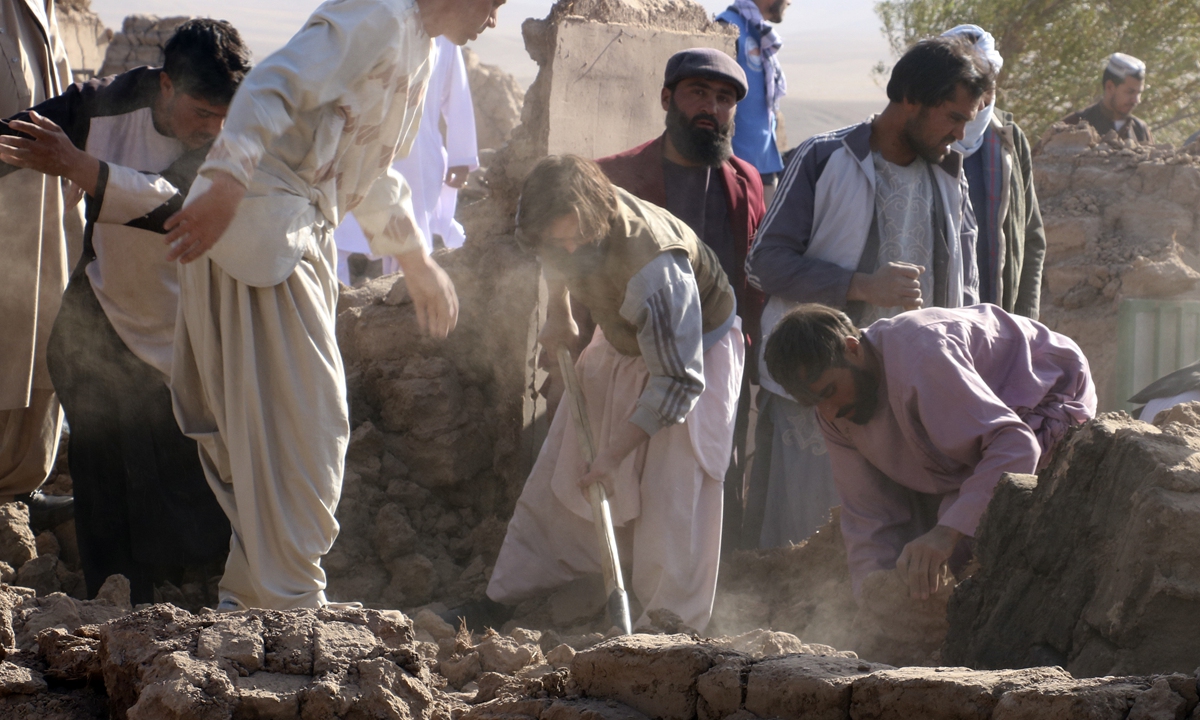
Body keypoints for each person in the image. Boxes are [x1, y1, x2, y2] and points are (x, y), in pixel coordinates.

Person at [161, 0, 505, 611]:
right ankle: (289, 601)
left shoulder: (420, 48)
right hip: (261, 226)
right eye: (497, 3)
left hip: (298, 234)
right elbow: (273, 83)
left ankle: (253, 600)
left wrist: (417, 261)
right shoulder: (376, 15)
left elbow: (367, 168)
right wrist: (228, 180)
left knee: (280, 432)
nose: (495, 20)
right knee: (304, 430)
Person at [0, 19, 249, 603]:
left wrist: (81, 169)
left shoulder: (232, 136)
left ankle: (192, 596)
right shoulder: (102, 106)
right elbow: (16, 140)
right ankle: (110, 599)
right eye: (201, 112)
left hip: (185, 330)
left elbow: (179, 209)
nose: (211, 127)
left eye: (222, 116)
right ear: (165, 85)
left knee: (188, 473)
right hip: (100, 319)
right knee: (102, 469)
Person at [741, 36, 992, 550]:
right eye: (952, 116)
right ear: (910, 101)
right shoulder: (825, 158)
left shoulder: (949, 176)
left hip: (909, 396)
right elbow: (762, 263)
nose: (960, 133)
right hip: (821, 391)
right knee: (809, 538)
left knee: (899, 538)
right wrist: (859, 285)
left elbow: (965, 288)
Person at [482, 155, 745, 632]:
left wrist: (614, 454)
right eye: (556, 240)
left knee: (673, 492)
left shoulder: (656, 270)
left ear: (599, 218)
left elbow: (677, 382)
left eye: (576, 237)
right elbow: (552, 254)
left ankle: (666, 629)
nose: (567, 247)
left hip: (692, 355)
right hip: (621, 337)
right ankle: (521, 592)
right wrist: (559, 314)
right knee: (564, 471)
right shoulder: (553, 224)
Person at [762, 303, 1096, 599]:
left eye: (830, 391)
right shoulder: (834, 413)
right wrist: (872, 598)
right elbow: (869, 515)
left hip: (1046, 398)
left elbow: (1017, 446)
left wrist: (945, 533)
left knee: (966, 544)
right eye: (816, 403)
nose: (830, 412)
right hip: (976, 439)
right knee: (914, 551)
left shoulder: (922, 358)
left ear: (852, 350)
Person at [595, 47, 765, 551]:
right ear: (668, 98)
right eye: (698, 93)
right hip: (634, 355)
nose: (712, 107)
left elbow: (747, 276)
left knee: (711, 472)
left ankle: (707, 596)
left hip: (716, 356)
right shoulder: (616, 176)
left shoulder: (745, 180)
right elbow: (577, 264)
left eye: (724, 98)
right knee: (629, 473)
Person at [0, 0, 74, 530]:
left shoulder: (43, 8)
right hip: (7, 207)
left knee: (42, 339)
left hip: (43, 212)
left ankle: (17, 490)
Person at [334, 34, 479, 282]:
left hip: (419, 158)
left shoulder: (443, 33)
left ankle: (403, 306)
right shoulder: (373, 18)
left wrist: (461, 156)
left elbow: (456, 92)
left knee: (410, 238)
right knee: (337, 235)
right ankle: (335, 307)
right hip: (360, 152)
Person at [941, 25, 1045, 319]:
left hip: (998, 311)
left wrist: (1025, 319)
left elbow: (1031, 235)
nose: (982, 98)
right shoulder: (925, 137)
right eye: (972, 86)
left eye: (988, 86)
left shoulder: (1008, 139)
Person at [716, 0, 789, 205]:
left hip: (764, 164)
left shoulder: (760, 34)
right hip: (735, 171)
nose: (790, 2)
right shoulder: (727, 28)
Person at [1061, 53, 1153, 143]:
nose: (1136, 100)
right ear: (1110, 87)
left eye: (1139, 93)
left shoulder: (1141, 129)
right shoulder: (1074, 124)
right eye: (1130, 92)